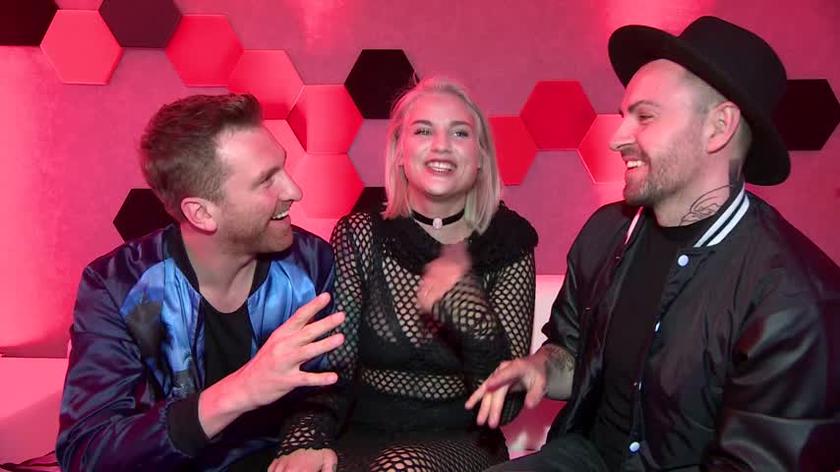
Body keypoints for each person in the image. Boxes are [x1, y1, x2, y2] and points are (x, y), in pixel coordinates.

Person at [469, 16, 840, 471]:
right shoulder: (606, 233)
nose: (618, 138)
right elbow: (572, 352)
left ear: (719, 127)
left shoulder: (797, 299)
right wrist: (542, 368)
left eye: (644, 116)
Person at [56, 94, 346, 471]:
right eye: (266, 181)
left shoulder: (312, 266)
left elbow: (331, 394)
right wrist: (240, 390)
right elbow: (86, 453)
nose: (294, 191)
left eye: (283, 168)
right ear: (202, 213)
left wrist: (307, 442)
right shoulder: (118, 287)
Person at [270, 77, 539, 471]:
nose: (441, 145)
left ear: (481, 156)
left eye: (460, 133)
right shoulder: (360, 235)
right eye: (423, 131)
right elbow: (331, 369)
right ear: (399, 151)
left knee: (400, 467)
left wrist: (472, 318)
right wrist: (304, 440)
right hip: (361, 434)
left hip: (462, 440)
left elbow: (507, 406)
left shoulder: (509, 242)